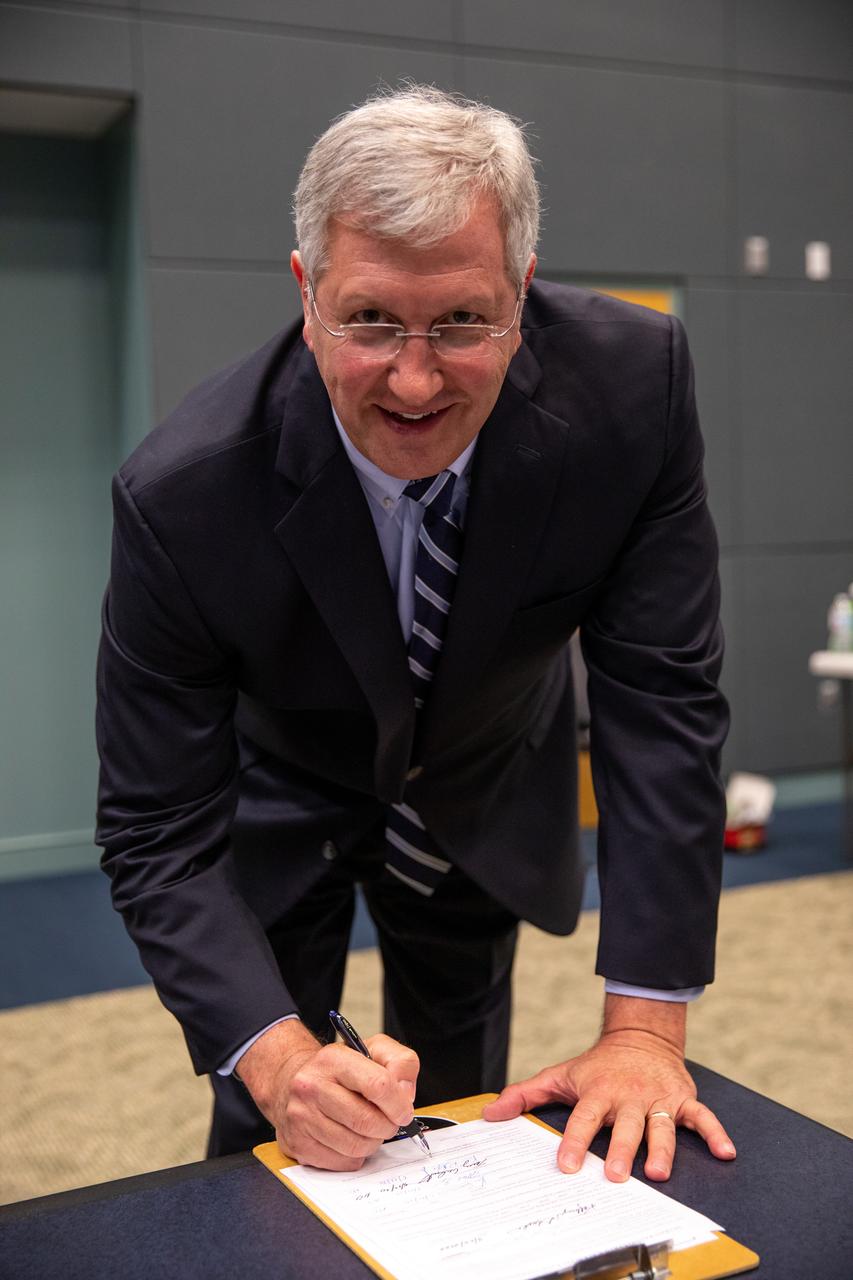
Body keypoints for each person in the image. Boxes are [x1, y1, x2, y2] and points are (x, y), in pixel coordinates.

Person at [96, 84, 736, 1184]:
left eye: (462, 322)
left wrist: (642, 1030)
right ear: (307, 294)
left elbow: (662, 708)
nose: (414, 376)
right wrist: (278, 1059)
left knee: (454, 1111)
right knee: (282, 1128)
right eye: (370, 320)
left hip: (482, 786)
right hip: (281, 788)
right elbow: (156, 829)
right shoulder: (185, 495)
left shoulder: (634, 393)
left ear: (522, 291)